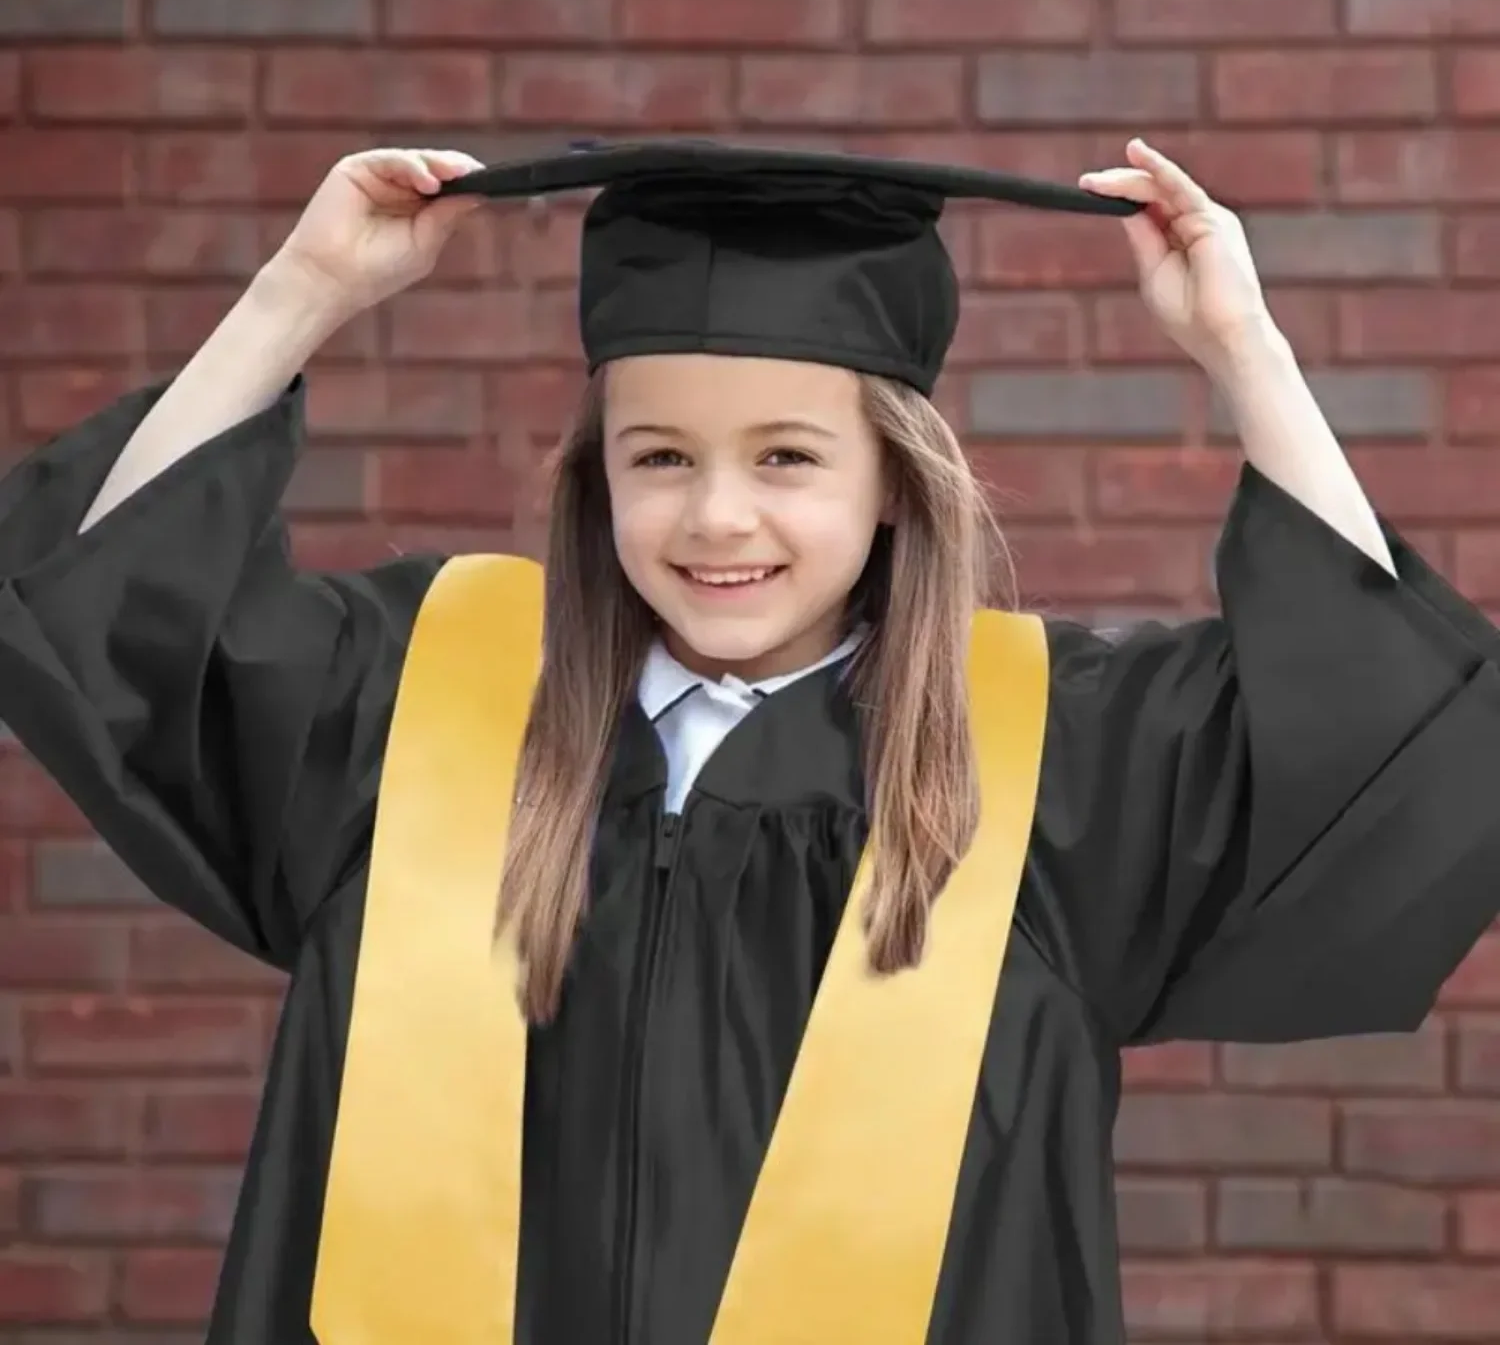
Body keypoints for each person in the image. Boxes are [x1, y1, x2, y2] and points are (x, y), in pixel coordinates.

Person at [1, 135, 1498, 1345]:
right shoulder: (411, 711)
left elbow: (1387, 739)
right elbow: (108, 608)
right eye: (659, 459)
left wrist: (1244, 348)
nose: (718, 519)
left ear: (896, 485)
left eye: (787, 457)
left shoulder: (1057, 766)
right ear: (598, 482)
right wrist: (299, 292)